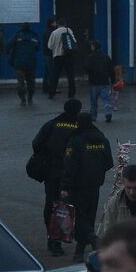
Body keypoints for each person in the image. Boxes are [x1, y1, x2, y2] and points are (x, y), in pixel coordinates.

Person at [33, 98, 84, 256]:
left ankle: (52, 239)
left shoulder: (52, 124)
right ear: (78, 110)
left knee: (51, 205)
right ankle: (69, 237)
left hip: (52, 172)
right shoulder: (80, 127)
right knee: (69, 205)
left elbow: (36, 143)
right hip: (72, 173)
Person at [60, 113, 113, 261]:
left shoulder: (75, 140)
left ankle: (93, 239)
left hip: (77, 186)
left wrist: (65, 186)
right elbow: (109, 163)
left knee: (78, 217)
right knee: (88, 217)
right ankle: (79, 252)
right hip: (95, 185)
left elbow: (69, 165)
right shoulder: (101, 139)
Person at [84, 39, 117, 123]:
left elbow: (87, 68)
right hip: (104, 82)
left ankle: (93, 117)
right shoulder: (106, 57)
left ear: (93, 47)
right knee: (106, 99)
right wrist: (113, 81)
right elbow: (111, 70)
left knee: (94, 101)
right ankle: (108, 114)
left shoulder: (90, 57)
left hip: (94, 82)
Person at [45, 18, 78, 99]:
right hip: (68, 56)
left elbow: (50, 46)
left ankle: (51, 93)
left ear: (58, 24)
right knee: (70, 75)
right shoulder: (68, 30)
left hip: (58, 57)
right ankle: (71, 93)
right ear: (65, 24)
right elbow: (74, 42)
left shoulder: (54, 33)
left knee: (55, 75)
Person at [8, 23, 40, 105]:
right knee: (31, 81)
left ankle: (22, 99)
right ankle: (30, 98)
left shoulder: (17, 36)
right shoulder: (34, 36)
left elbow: (8, 45)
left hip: (19, 63)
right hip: (31, 63)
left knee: (20, 82)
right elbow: (38, 48)